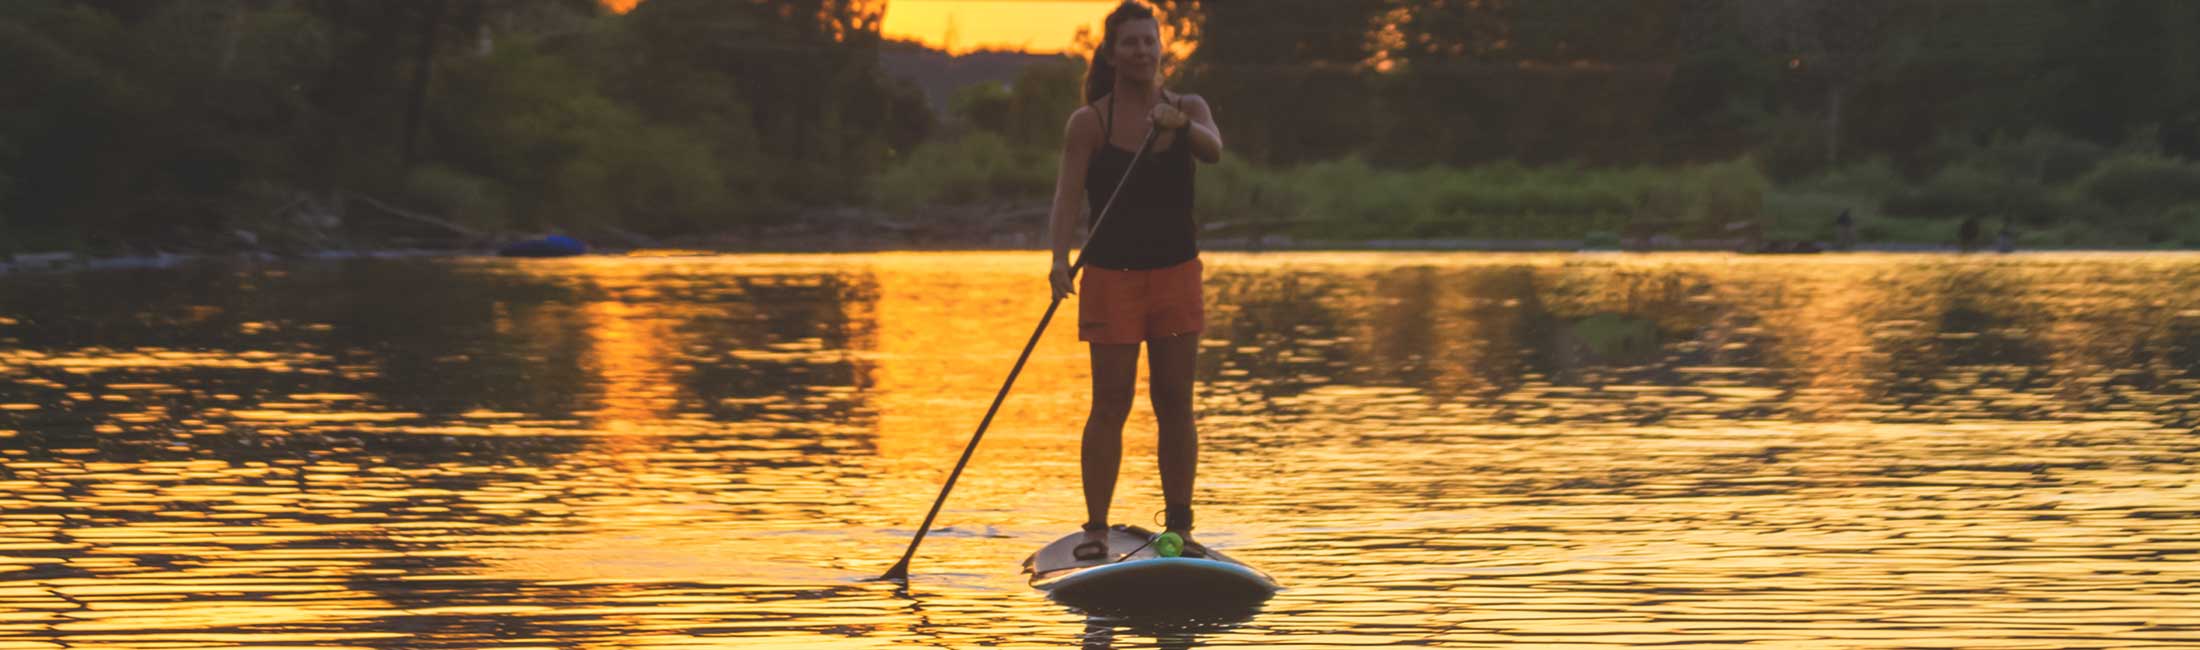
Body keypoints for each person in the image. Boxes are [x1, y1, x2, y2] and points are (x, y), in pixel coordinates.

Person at [1044, 1, 1224, 561]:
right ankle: (1096, 529)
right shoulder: (1089, 123)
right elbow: (1066, 199)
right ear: (1111, 53)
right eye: (1131, 43)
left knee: (1174, 401)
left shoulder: (1188, 107)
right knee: (1111, 403)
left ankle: (1180, 528)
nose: (1142, 52)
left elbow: (1214, 150)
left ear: (1161, 48)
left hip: (1176, 275)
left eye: (1150, 42)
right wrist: (1056, 261)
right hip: (1111, 279)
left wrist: (1182, 125)